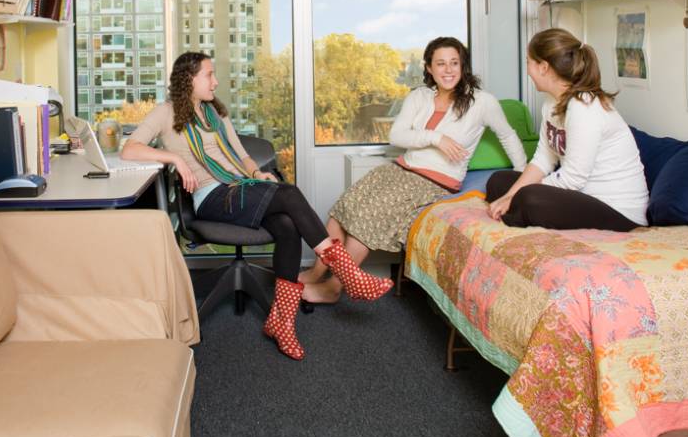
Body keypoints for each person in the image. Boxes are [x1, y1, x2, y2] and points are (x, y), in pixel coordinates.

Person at [122, 51, 392, 361]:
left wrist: (256, 174)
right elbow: (130, 150)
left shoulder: (216, 113)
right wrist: (173, 158)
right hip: (212, 197)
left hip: (242, 188)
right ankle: (350, 275)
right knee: (288, 194)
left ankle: (282, 323)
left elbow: (241, 156)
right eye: (209, 75)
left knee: (288, 227)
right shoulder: (165, 113)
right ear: (189, 79)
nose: (216, 81)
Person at [300, 37, 528, 304]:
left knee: (366, 218)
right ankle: (318, 272)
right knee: (342, 210)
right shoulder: (419, 96)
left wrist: (523, 176)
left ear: (463, 66)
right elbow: (397, 135)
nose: (448, 70)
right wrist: (436, 138)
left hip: (434, 182)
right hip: (401, 170)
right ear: (429, 68)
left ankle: (334, 287)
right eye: (440, 64)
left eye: (454, 63)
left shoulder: (482, 102)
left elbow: (508, 136)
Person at [486, 28, 648, 231]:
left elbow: (573, 178)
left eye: (528, 61)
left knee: (529, 197)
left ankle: (518, 212)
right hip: (582, 197)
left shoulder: (584, 108)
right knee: (498, 181)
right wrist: (510, 196)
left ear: (543, 67)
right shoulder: (551, 103)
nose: (527, 69)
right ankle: (517, 208)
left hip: (618, 211)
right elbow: (543, 159)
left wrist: (518, 195)